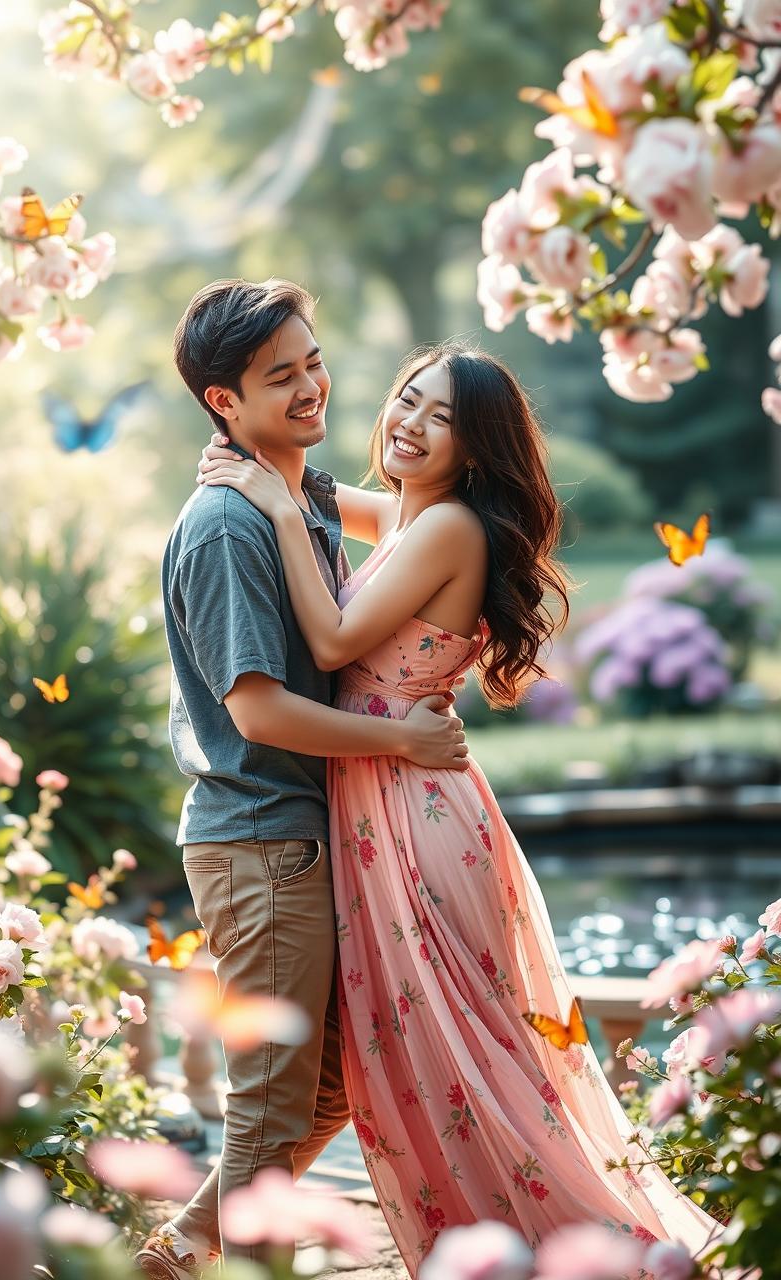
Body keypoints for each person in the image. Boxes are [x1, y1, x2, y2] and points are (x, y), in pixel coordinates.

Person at [196, 341, 723, 1275]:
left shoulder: (449, 531)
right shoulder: (414, 517)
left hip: (416, 808)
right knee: (426, 1050)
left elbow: (330, 634)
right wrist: (263, 458)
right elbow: (331, 501)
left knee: (466, 1056)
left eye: (439, 418)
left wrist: (276, 504)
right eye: (406, 398)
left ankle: (578, 1250)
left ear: (474, 449)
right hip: (387, 799)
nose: (409, 422)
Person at [138, 279, 470, 1280]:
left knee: (324, 1082)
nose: (311, 387)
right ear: (222, 404)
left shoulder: (293, 498)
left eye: (313, 361)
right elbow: (259, 711)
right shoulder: (231, 527)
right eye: (279, 377)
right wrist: (401, 744)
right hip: (261, 837)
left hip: (297, 831)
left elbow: (402, 530)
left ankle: (178, 1252)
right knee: (274, 1103)